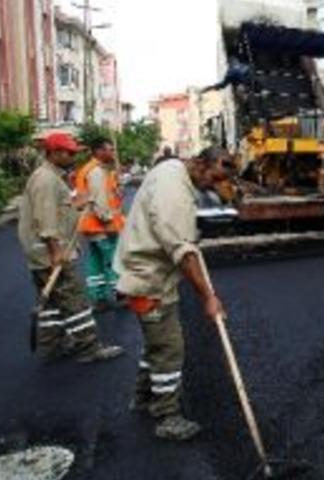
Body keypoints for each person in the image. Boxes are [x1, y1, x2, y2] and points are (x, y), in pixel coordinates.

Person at [114, 147, 228, 441]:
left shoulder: (172, 171)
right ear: (199, 163)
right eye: (212, 178)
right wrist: (208, 297)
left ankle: (142, 397)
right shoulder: (174, 190)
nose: (211, 186)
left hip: (146, 272)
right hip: (149, 280)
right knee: (169, 349)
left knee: (156, 344)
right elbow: (183, 251)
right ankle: (167, 416)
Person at [17, 133, 125, 363]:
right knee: (75, 300)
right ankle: (89, 348)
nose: (73, 156)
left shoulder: (51, 177)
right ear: (54, 153)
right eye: (69, 153)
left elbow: (58, 210)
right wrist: (56, 252)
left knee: (52, 302)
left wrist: (75, 204)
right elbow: (45, 219)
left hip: (41, 251)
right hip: (49, 252)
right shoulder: (46, 180)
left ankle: (52, 344)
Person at [75, 138, 125, 309]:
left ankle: (98, 297)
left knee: (96, 261)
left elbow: (108, 195)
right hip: (103, 226)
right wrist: (108, 221)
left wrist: (117, 189)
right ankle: (120, 294)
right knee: (112, 260)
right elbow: (99, 201)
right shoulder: (96, 172)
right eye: (109, 150)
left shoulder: (96, 170)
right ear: (98, 151)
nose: (113, 153)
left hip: (91, 227)